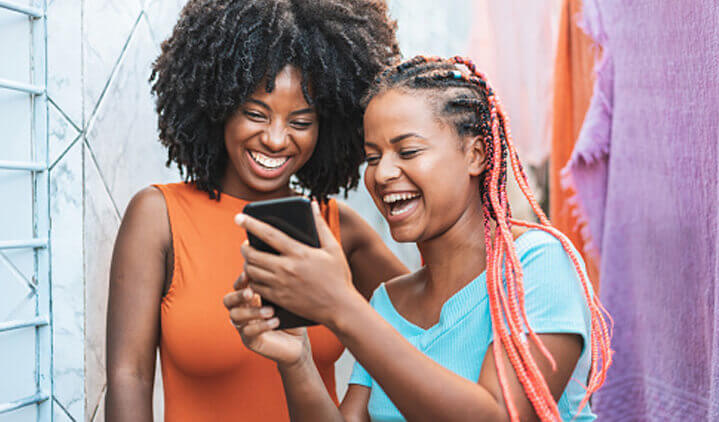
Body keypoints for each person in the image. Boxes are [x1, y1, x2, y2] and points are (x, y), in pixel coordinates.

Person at [225, 56, 613, 421]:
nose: (382, 174)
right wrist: (297, 359)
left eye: (407, 151)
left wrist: (342, 307)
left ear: (476, 154)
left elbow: (501, 413)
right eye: (372, 157)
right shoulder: (388, 304)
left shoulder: (537, 264)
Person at [105, 1, 406, 421]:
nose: (277, 139)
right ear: (219, 104)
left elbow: (433, 330)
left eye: (301, 122)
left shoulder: (339, 229)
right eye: (255, 114)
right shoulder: (158, 216)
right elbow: (129, 377)